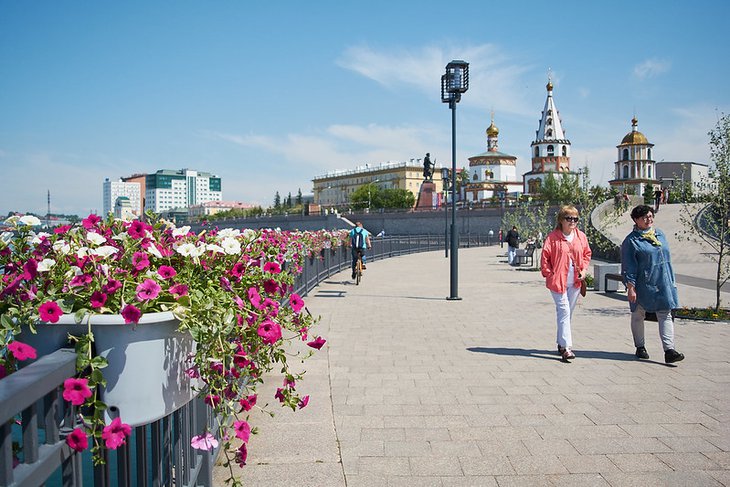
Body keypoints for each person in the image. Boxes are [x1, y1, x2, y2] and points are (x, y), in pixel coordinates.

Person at [621, 205, 684, 364]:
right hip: (644, 284)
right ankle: (640, 346)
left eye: (650, 216)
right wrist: (630, 286)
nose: (649, 219)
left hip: (663, 282)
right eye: (644, 217)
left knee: (665, 314)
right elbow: (629, 265)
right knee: (638, 314)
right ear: (636, 220)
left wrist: (671, 280)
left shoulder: (659, 234)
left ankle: (669, 350)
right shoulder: (631, 241)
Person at [540, 205, 592, 361]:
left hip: (575, 281)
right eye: (569, 218)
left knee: (567, 313)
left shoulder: (581, 236)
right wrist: (549, 274)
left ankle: (561, 343)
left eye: (575, 219)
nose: (572, 221)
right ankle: (567, 348)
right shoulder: (552, 238)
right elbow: (545, 259)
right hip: (558, 281)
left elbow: (586, 254)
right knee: (564, 311)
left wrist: (584, 270)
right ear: (561, 220)